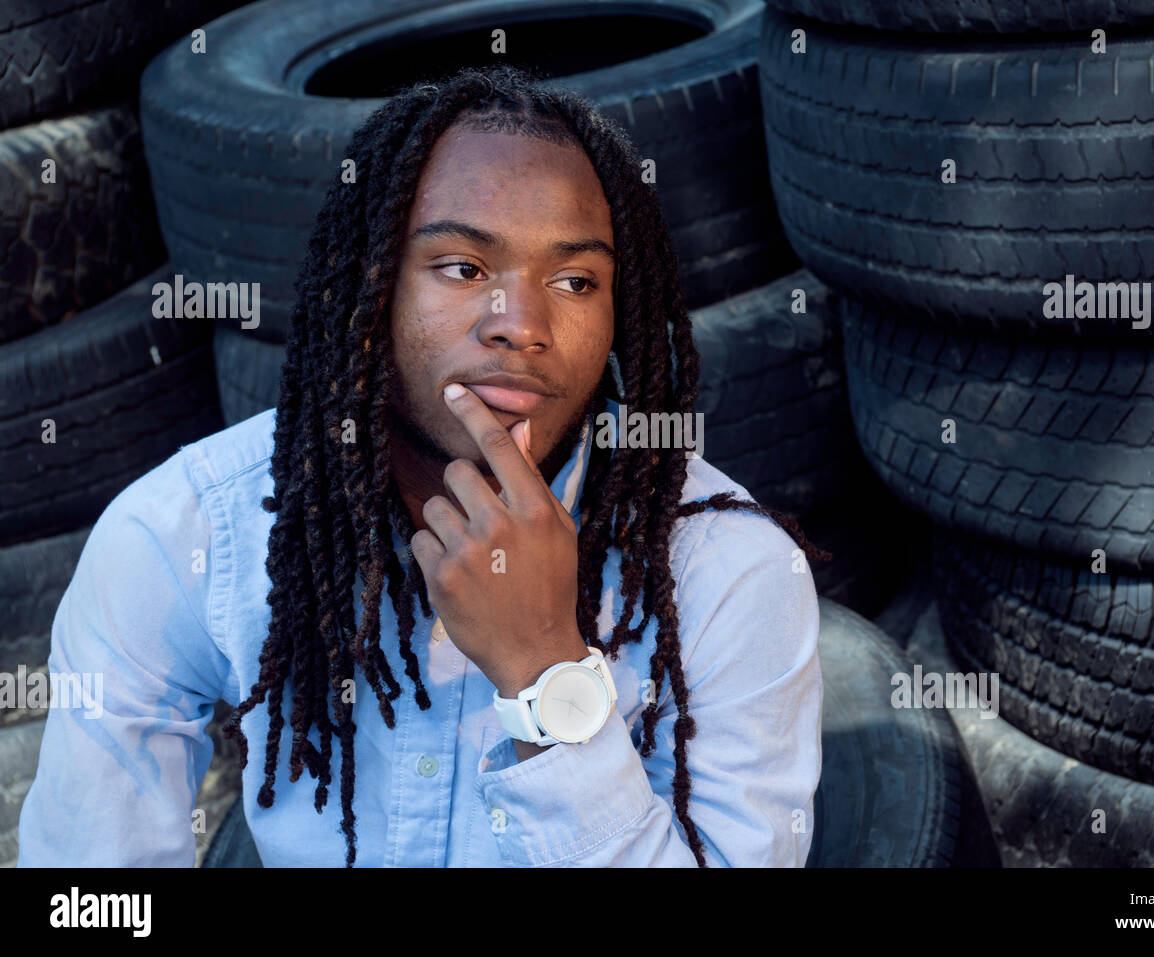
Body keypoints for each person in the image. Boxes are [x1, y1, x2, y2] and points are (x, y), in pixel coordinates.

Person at [18, 63, 825, 867]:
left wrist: (546, 676)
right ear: (370, 290)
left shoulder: (732, 575)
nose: (522, 325)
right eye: (463, 268)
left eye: (576, 280)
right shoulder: (178, 535)